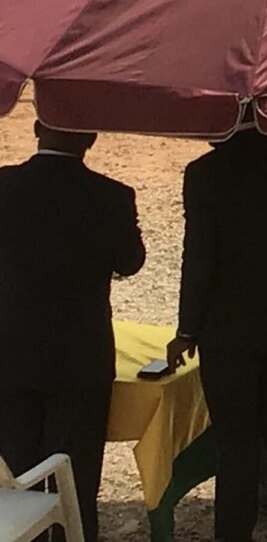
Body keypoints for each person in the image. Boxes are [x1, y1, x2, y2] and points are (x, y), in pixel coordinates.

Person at [166, 125, 267, 542]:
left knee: (236, 443)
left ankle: (234, 532)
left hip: (226, 323)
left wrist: (187, 329)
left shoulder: (203, 173)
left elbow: (198, 255)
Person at [0, 122, 144, 542]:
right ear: (91, 138)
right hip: (81, 356)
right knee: (76, 476)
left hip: (11, 352)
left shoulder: (3, 186)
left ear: (36, 128)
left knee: (17, 471)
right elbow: (131, 261)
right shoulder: (112, 196)